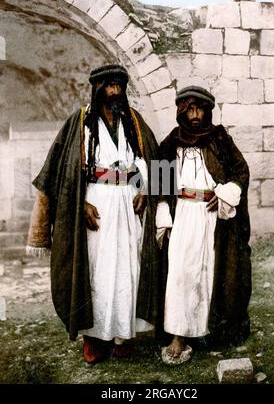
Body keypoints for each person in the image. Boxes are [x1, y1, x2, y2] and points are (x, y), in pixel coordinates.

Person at [26, 64, 159, 364]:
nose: (114, 92)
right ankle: (94, 338)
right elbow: (59, 168)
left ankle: (123, 336)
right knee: (97, 269)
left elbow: (149, 159)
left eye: (119, 86)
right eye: (108, 86)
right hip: (94, 203)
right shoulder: (81, 122)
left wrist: (145, 191)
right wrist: (79, 202)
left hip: (127, 202)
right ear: (97, 88)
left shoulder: (134, 121)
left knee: (128, 266)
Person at [155, 86, 252, 365]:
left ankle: (204, 332)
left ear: (208, 111)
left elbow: (240, 171)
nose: (195, 116)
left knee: (209, 273)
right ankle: (178, 335)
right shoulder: (170, 143)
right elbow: (160, 182)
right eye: (190, 110)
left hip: (213, 217)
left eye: (200, 110)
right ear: (181, 111)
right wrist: (164, 213)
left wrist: (223, 194)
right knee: (181, 273)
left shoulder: (220, 139)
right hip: (184, 214)